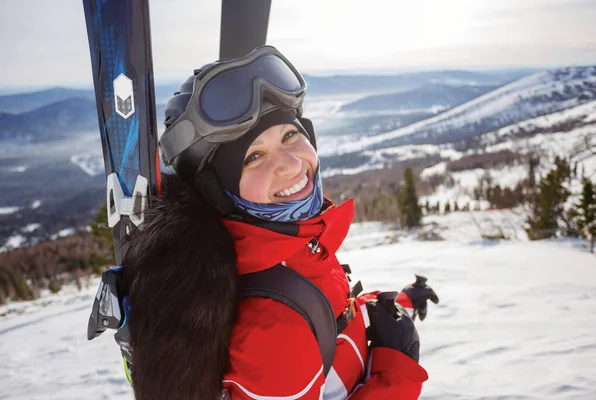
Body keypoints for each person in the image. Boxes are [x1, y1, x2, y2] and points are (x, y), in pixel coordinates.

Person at [121, 45, 439, 400]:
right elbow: (295, 333)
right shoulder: (274, 327)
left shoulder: (287, 246)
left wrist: (393, 305)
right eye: (254, 157)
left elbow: (325, 318)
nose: (289, 163)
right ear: (219, 189)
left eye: (290, 135)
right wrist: (395, 373)